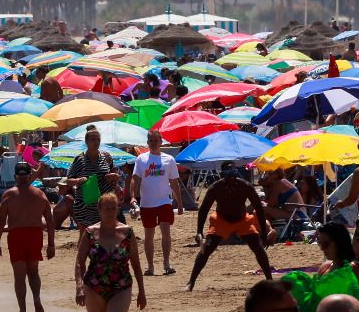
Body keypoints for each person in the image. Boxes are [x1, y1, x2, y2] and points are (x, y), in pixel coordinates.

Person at [73, 191, 146, 312]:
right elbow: (80, 263)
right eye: (106, 208)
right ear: (99, 210)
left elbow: (136, 264)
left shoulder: (127, 232)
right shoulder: (89, 232)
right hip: (94, 287)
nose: (111, 212)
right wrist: (79, 287)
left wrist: (141, 290)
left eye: (114, 208)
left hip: (121, 286)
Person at [187, 163, 274, 292]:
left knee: (258, 247)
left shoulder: (245, 186)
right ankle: (191, 282)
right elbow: (204, 209)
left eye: (234, 178)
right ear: (223, 176)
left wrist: (263, 232)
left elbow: (259, 209)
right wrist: (199, 231)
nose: (232, 182)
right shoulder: (216, 188)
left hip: (242, 220)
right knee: (207, 249)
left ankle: (269, 280)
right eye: (229, 178)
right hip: (221, 220)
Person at [0, 161, 54, 312]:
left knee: (19, 276)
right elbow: (50, 220)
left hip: (16, 235)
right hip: (35, 234)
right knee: (34, 272)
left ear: (15, 177)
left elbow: (1, 222)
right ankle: (37, 299)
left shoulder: (9, 194)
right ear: (29, 176)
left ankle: (23, 311)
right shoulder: (40, 194)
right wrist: (51, 244)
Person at [130, 129, 182, 276]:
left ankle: (166, 263)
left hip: (165, 201)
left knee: (165, 231)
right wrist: (133, 197)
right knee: (149, 235)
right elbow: (135, 179)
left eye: (156, 140)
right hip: (147, 203)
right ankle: (150, 266)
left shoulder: (169, 160)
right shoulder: (141, 159)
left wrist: (179, 203)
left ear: (161, 142)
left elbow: (174, 182)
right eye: (151, 140)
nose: (153, 143)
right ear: (147, 143)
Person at [65, 125, 119, 229]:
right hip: (85, 205)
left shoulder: (107, 157)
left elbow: (116, 175)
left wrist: (114, 176)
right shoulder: (79, 159)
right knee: (85, 234)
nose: (96, 142)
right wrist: (78, 180)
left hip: (105, 205)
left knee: (105, 233)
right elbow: (68, 181)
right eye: (93, 139)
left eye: (98, 139)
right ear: (86, 142)